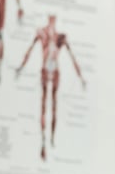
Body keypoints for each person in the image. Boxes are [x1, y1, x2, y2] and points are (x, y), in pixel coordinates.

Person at [15, 15, 86, 161]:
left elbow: (72, 57)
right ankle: (43, 142)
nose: (52, 22)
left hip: (54, 72)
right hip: (45, 70)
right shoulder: (42, 33)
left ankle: (51, 138)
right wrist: (21, 67)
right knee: (43, 107)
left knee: (53, 107)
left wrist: (81, 77)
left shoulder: (60, 37)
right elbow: (30, 49)